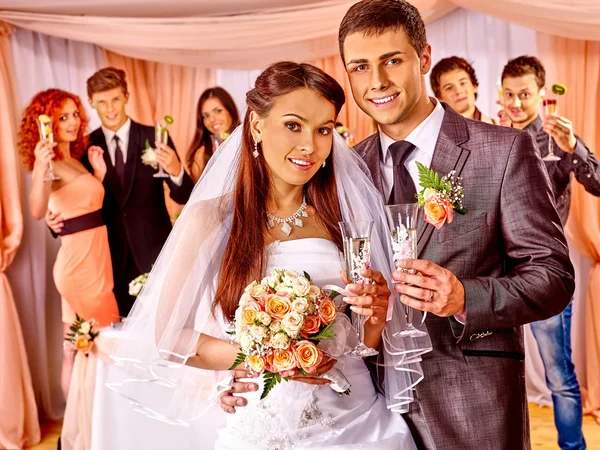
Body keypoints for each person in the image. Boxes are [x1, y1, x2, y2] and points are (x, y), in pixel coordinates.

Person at [224, 2, 575, 449]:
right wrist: (258, 363)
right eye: (360, 66)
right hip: (363, 410)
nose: (377, 81)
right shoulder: (337, 171)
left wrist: (466, 297)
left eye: (392, 60)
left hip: (471, 401)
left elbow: (553, 276)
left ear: (423, 58)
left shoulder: (502, 151)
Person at [107, 61, 431, 449]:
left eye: (323, 129)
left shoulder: (345, 217)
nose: (310, 145)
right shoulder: (210, 218)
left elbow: (362, 342)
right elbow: (166, 336)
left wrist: (376, 312)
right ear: (257, 125)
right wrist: (267, 358)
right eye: (293, 125)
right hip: (265, 421)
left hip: (357, 419)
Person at [500, 55, 599, 450]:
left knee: (558, 372)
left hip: (545, 271)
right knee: (502, 372)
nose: (516, 103)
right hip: (499, 275)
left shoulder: (557, 138)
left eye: (524, 94)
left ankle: (573, 447)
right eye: (509, 94)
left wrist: (574, 145)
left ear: (542, 95)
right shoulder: (492, 137)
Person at [46, 68, 195, 316]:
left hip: (155, 256)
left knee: (162, 334)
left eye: (115, 99)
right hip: (106, 261)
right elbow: (69, 200)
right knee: (117, 341)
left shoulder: (155, 136)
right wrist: (52, 223)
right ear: (92, 103)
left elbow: (184, 197)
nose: (110, 108)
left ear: (126, 96)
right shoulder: (82, 147)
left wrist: (177, 170)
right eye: (102, 102)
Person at [18, 89, 119, 399]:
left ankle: (76, 435)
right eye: (63, 117)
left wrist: (98, 176)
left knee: (74, 350)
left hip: (96, 264)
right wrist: (39, 166)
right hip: (79, 270)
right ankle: (84, 430)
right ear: (45, 124)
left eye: (75, 114)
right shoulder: (48, 164)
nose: (73, 122)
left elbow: (80, 206)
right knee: (93, 347)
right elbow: (37, 210)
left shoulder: (75, 160)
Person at [187, 87, 240, 182]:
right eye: (206, 116)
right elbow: (197, 194)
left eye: (218, 111)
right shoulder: (202, 155)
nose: (211, 119)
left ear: (231, 111)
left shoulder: (250, 143)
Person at [430, 56, 496, 124]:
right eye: (449, 88)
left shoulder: (499, 127)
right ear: (439, 98)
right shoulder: (434, 132)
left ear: (474, 85)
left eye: (463, 83)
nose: (458, 91)